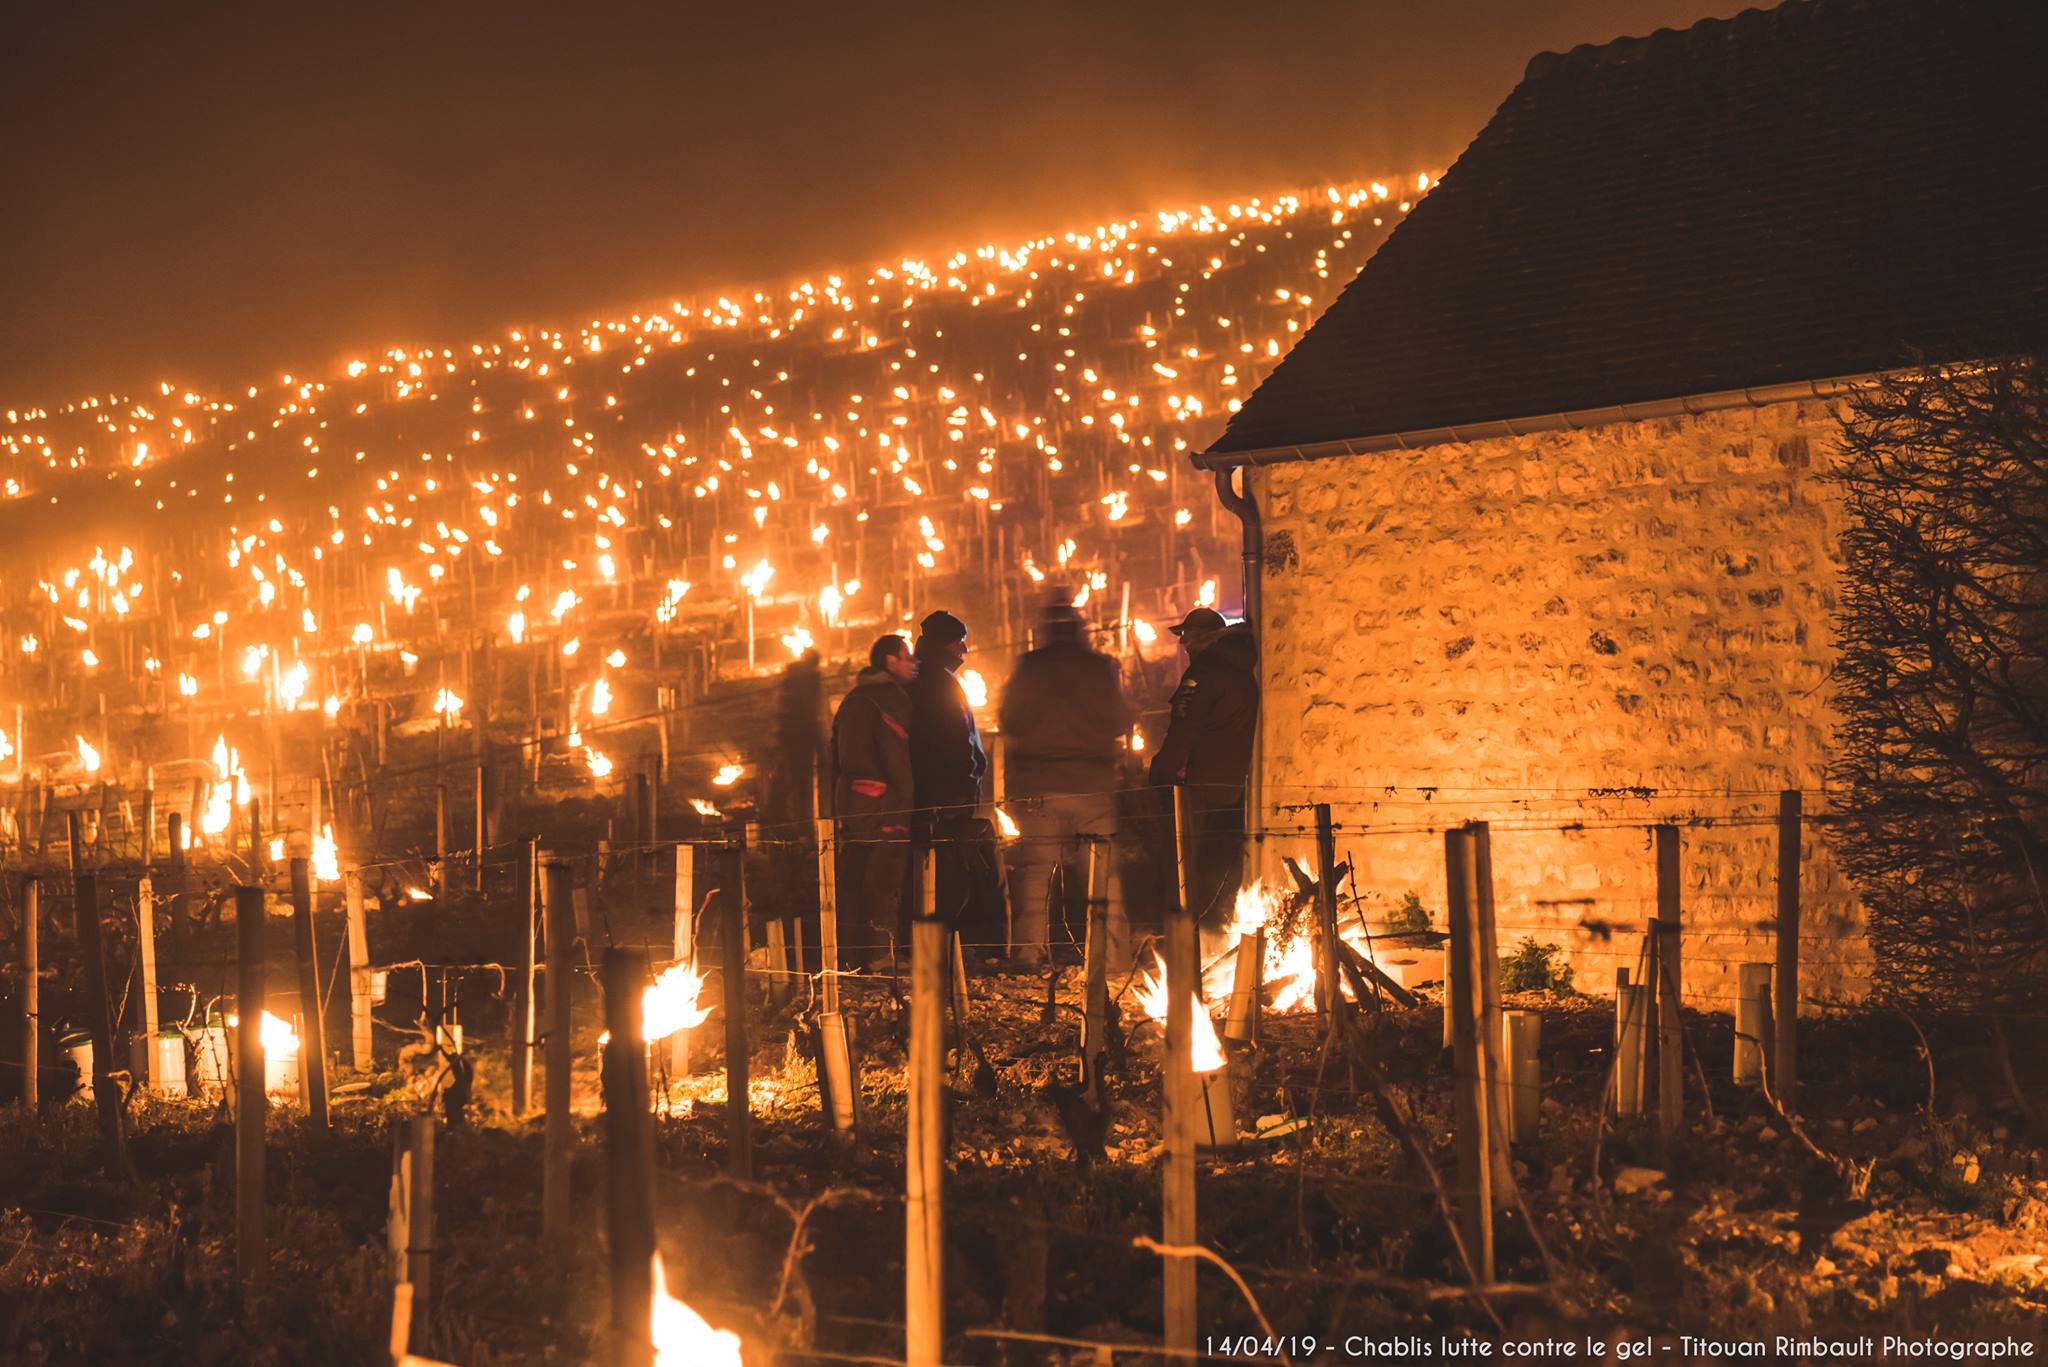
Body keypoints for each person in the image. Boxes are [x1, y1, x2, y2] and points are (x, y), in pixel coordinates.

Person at [998, 592, 1135, 966]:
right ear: (1080, 630)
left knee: (1035, 877)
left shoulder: (1030, 668)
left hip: (1038, 784)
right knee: (1102, 877)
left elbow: (1008, 719)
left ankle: (1029, 953)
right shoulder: (1098, 668)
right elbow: (1121, 719)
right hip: (1091, 784)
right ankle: (1111, 958)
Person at [1148, 606, 1258, 926]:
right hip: (1233, 785)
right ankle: (1217, 927)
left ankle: (1185, 934)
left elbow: (1185, 728)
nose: (1184, 645)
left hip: (1195, 787)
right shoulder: (1242, 671)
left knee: (1183, 866)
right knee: (1220, 866)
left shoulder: (1204, 673)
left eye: (1187, 637)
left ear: (1200, 638)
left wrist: (1161, 773)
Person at [906, 610, 997, 934]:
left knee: (936, 867)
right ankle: (945, 937)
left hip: (935, 792)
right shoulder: (938, 685)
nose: (964, 651)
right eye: (959, 642)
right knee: (947, 869)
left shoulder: (924, 679)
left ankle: (937, 935)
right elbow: (953, 740)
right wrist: (966, 781)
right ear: (944, 645)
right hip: (945, 795)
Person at [830, 635, 917, 964]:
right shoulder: (891, 700)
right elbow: (896, 756)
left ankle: (849, 956)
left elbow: (833, 758)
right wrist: (907, 800)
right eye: (907, 657)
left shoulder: (853, 700)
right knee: (885, 879)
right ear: (890, 661)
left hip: (851, 802)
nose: (914, 663)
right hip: (885, 804)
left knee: (853, 881)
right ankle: (882, 956)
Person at [765, 648, 825, 826]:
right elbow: (812, 711)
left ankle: (778, 814)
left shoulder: (789, 678)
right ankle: (801, 820)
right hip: (803, 734)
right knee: (801, 779)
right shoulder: (810, 679)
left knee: (786, 775)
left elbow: (778, 707)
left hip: (787, 733)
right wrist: (819, 740)